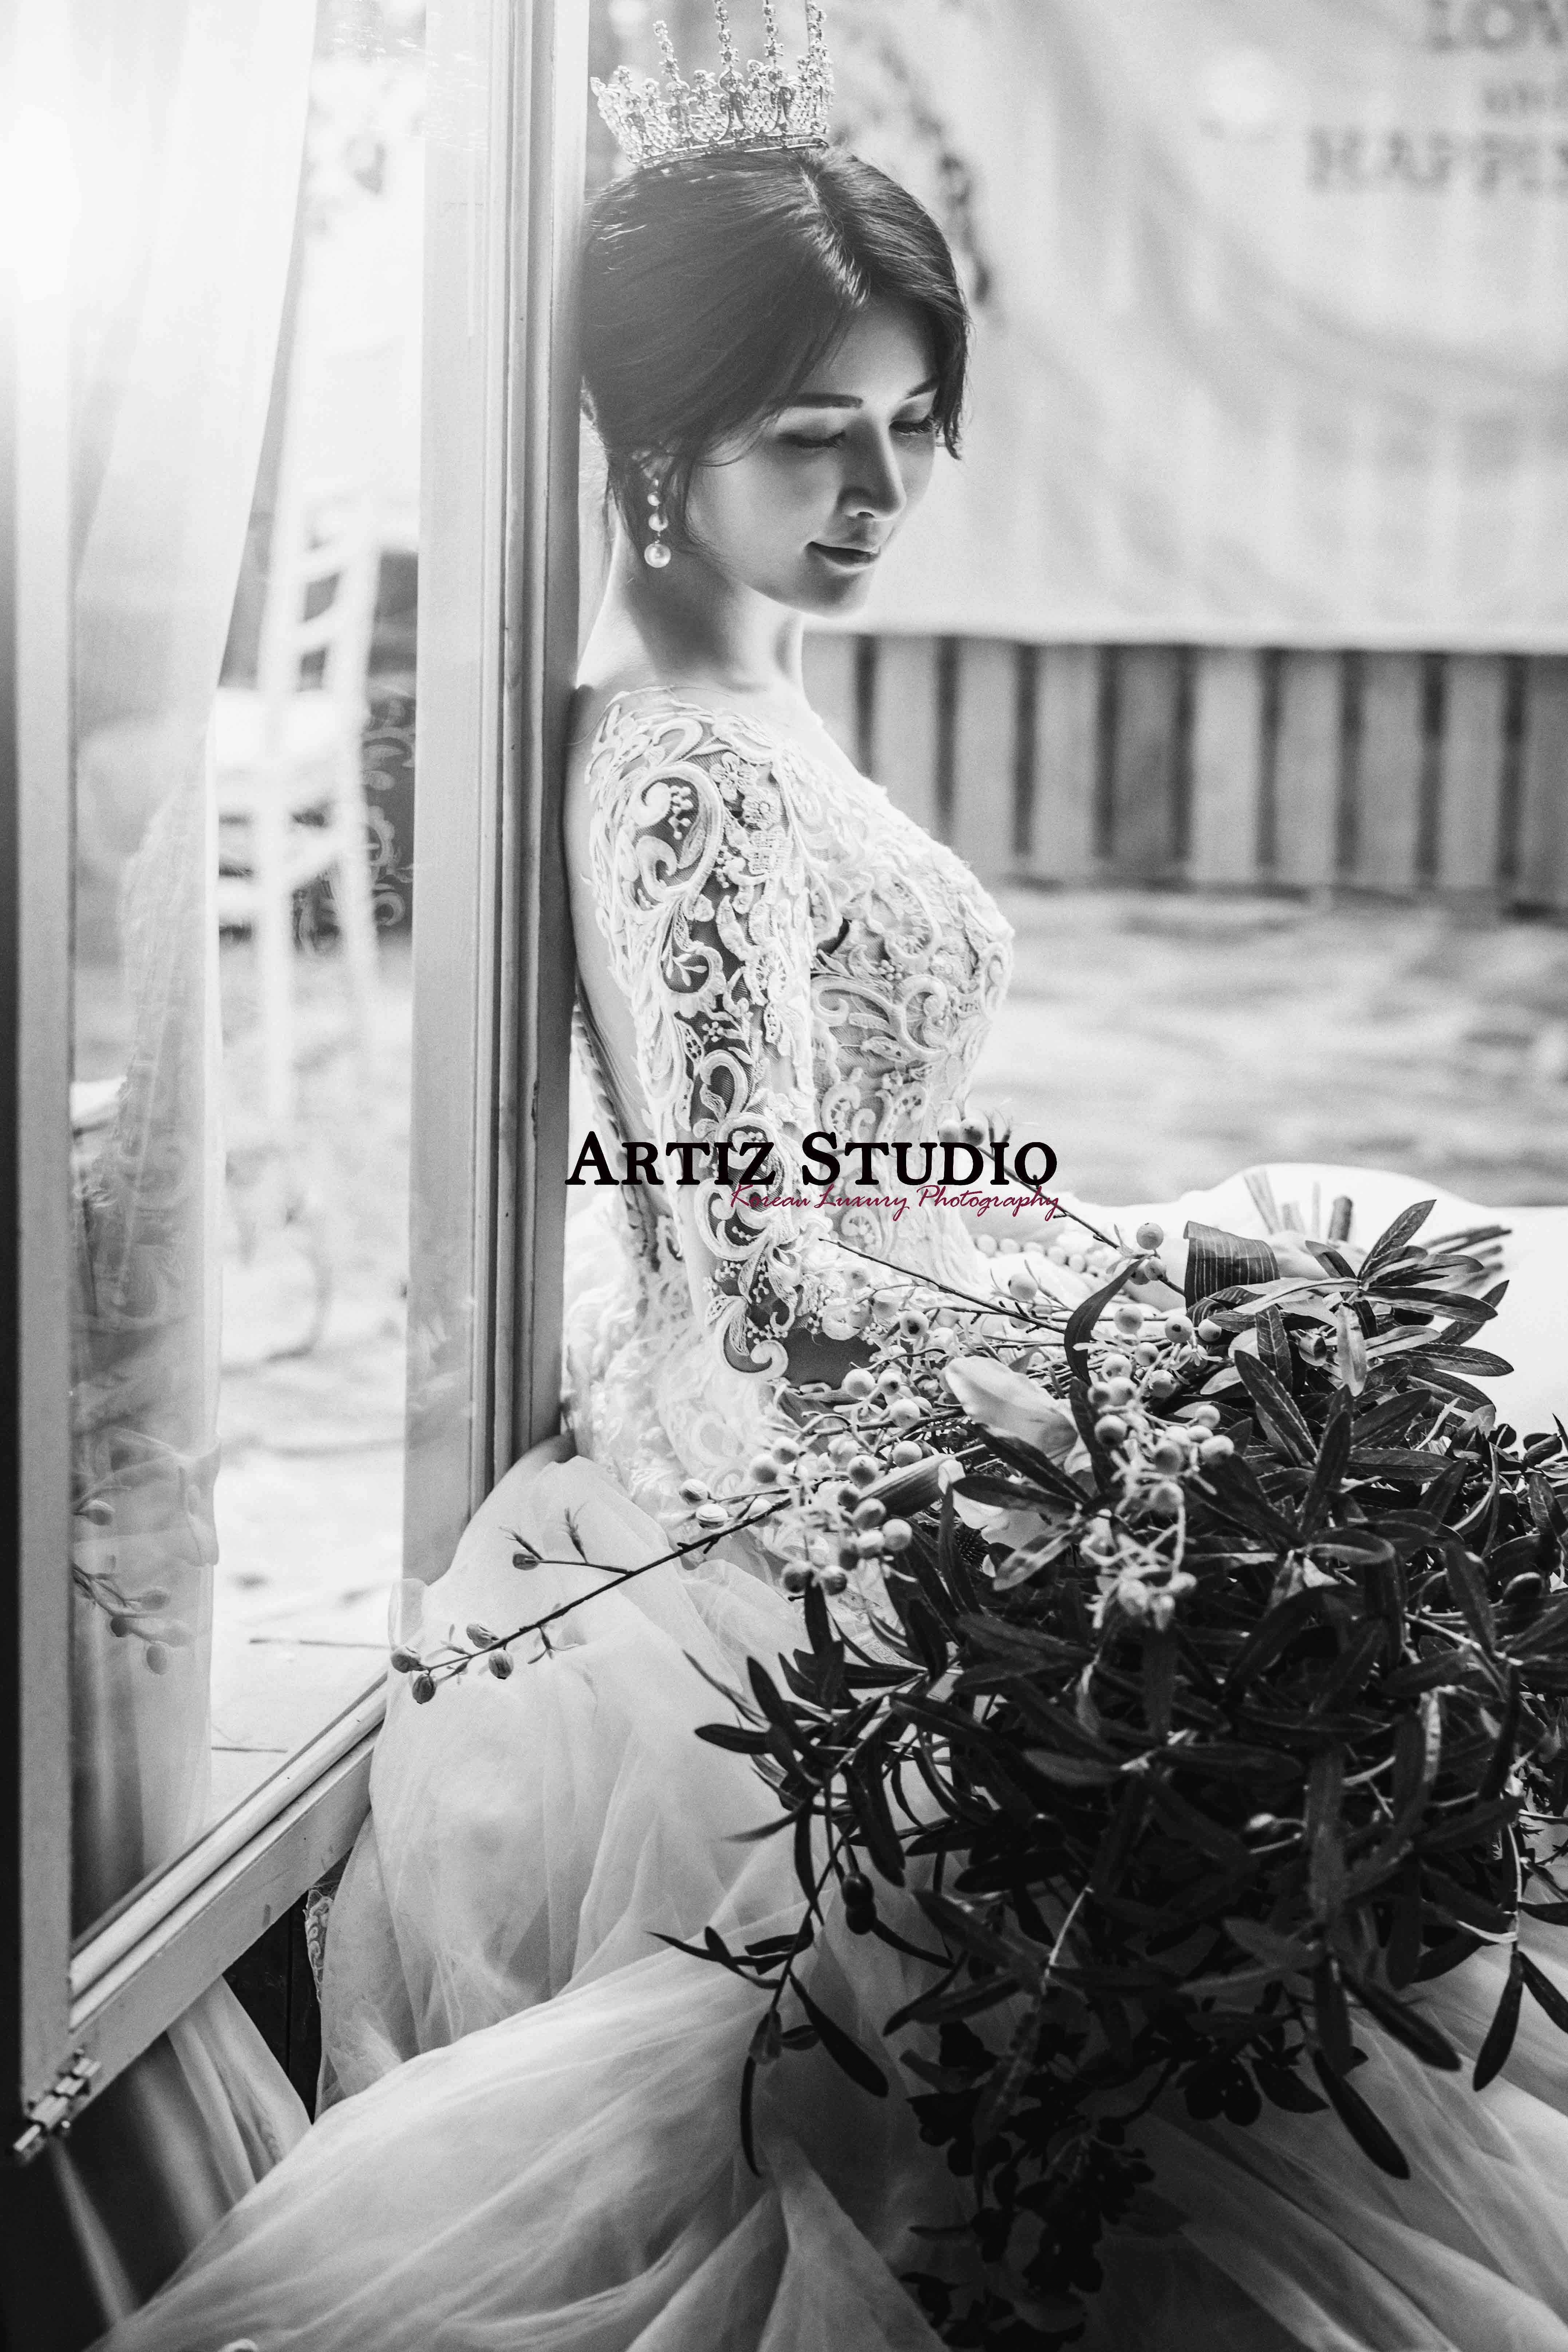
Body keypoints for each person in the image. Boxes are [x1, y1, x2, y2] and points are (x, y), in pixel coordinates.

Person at [92, 27, 1568, 2351]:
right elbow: (761, 1267)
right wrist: (1111, 1378)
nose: (880, 486)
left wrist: (1118, 1288)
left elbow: (866, 1173)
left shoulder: (755, 689)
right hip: (773, 1453)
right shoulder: (686, 768)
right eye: (811, 434)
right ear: (655, 443)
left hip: (889, 1343)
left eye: (911, 423)